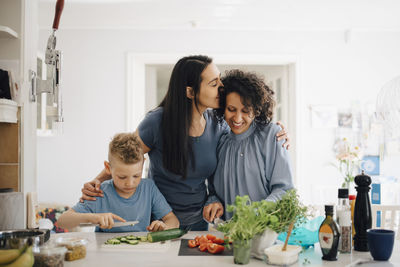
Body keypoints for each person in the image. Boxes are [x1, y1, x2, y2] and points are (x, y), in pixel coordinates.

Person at [80, 55, 290, 230]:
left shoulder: (219, 124)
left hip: (200, 220)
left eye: (220, 80)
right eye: (214, 83)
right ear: (190, 92)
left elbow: (245, 130)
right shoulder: (157, 122)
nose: (222, 87)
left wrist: (274, 130)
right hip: (159, 220)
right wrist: (96, 184)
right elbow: (124, 156)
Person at [206, 69, 294, 220]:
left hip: (266, 234)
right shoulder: (220, 141)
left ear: (257, 109)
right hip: (229, 236)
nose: (238, 118)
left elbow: (284, 190)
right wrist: (213, 201)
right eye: (231, 109)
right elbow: (213, 189)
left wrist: (255, 214)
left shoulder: (272, 136)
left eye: (246, 111)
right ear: (223, 108)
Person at [58, 133, 179, 232]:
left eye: (136, 175)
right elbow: (62, 221)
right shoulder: (100, 193)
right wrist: (94, 218)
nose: (130, 183)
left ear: (143, 164)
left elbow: (173, 220)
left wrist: (164, 227)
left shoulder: (149, 188)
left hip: (141, 254)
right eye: (122, 177)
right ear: (108, 168)